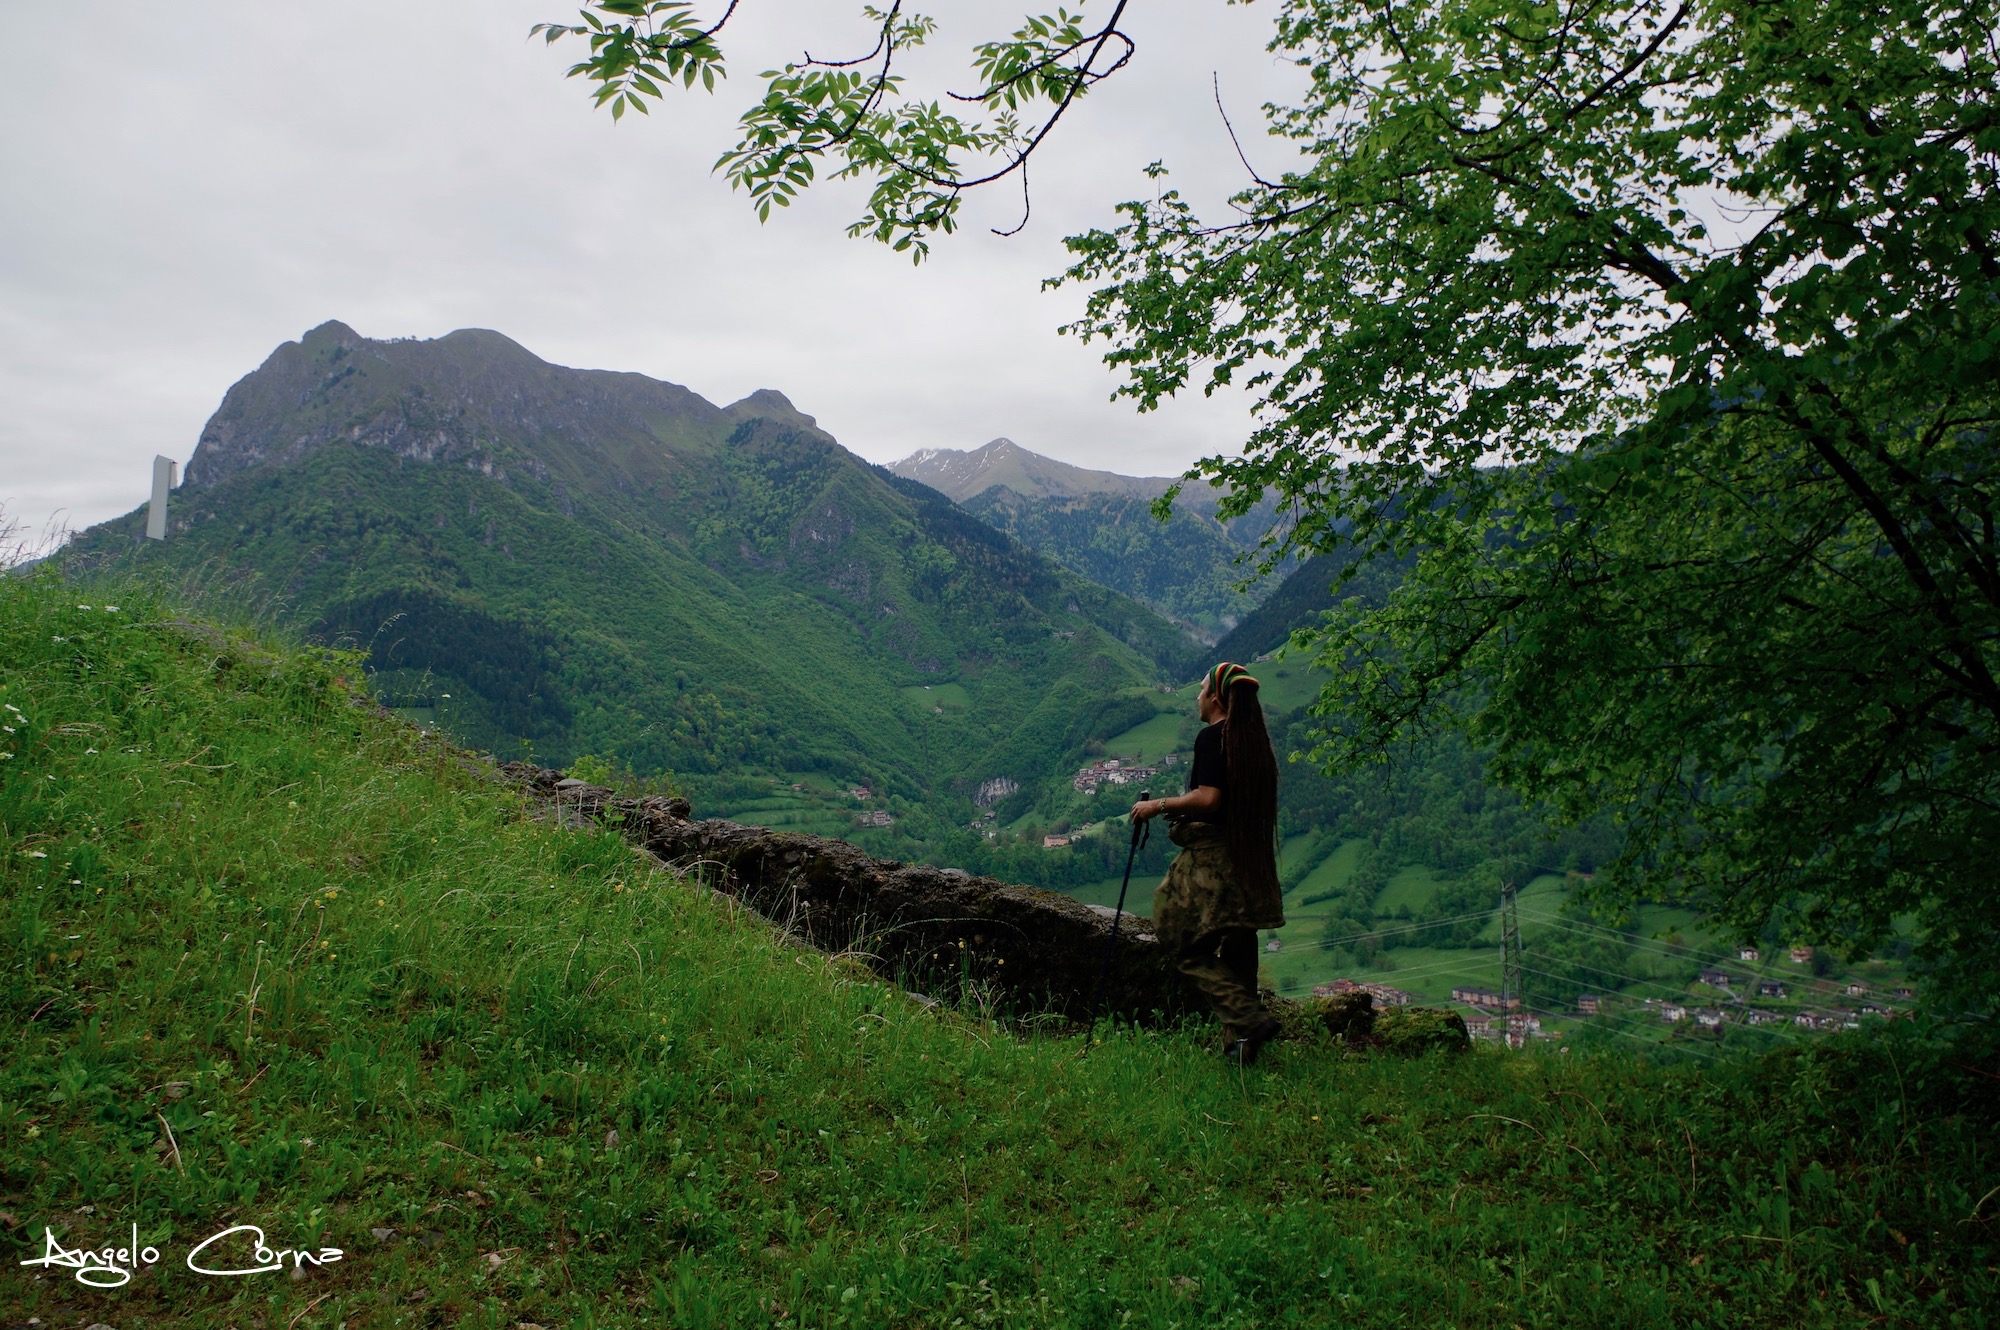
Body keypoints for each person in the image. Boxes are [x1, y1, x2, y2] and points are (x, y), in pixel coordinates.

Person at [1131, 661, 1285, 1064]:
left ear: (1216, 697)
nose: (1197, 697)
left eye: (1201, 690)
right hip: (1249, 860)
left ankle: (1248, 1018)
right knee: (1239, 946)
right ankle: (1240, 1047)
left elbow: (1209, 798)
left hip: (1214, 860)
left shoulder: (1213, 737)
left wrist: (1157, 806)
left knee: (1176, 935)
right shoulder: (1253, 744)